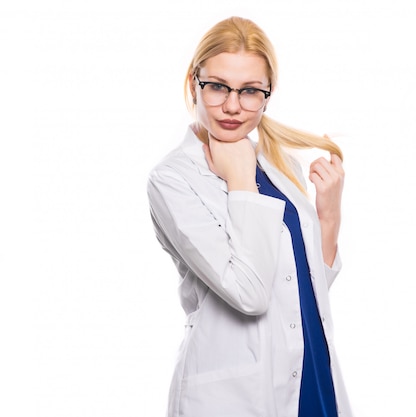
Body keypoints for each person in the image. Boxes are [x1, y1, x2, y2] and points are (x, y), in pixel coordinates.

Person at [147, 16, 352, 417]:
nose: (232, 106)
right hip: (235, 392)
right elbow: (250, 294)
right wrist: (240, 178)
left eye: (250, 91)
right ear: (194, 82)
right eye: (218, 86)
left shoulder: (282, 164)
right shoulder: (172, 179)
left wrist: (329, 218)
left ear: (267, 95)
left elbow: (304, 290)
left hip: (310, 369)